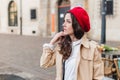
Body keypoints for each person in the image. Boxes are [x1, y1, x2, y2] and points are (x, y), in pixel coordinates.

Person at [40, 6, 104, 80]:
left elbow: (98, 77)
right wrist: (52, 42)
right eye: (64, 21)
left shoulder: (92, 48)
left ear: (77, 25)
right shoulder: (62, 46)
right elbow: (45, 63)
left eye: (68, 21)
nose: (63, 24)